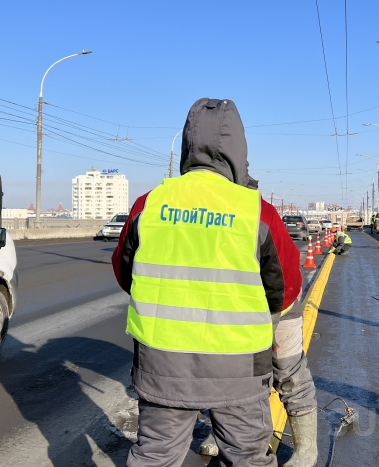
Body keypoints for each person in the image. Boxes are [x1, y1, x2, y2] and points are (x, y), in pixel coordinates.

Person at [112, 98, 303, 467]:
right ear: (239, 149)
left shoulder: (148, 205)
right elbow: (286, 290)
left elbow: (126, 275)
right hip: (240, 371)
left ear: (187, 146)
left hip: (163, 366)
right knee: (248, 457)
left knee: (155, 456)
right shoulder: (257, 211)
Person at [199, 172, 319, 467]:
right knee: (226, 373)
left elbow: (288, 280)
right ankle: (228, 432)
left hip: (280, 305)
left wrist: (267, 327)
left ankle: (307, 450)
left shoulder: (259, 214)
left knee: (288, 374)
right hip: (235, 314)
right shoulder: (208, 219)